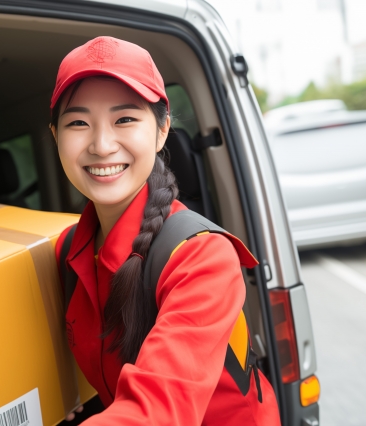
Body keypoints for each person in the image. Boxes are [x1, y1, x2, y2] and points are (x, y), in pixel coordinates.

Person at [51, 36, 280, 425]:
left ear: (161, 131)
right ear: (56, 136)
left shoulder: (202, 257)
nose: (102, 145)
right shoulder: (68, 250)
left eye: (125, 119)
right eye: (78, 123)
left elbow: (155, 412)